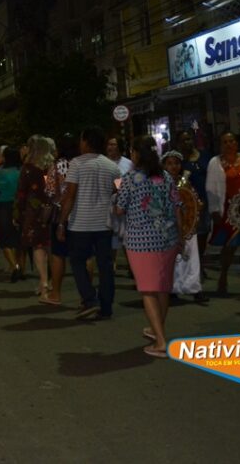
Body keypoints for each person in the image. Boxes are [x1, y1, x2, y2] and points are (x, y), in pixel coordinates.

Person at [115, 136, 183, 358]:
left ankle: (161, 341)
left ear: (136, 154)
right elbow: (177, 207)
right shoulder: (165, 176)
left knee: (148, 290)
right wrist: (181, 236)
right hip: (168, 238)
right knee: (163, 288)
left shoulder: (130, 179)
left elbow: (120, 209)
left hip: (141, 241)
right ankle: (157, 329)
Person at [57, 126, 121, 320]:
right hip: (104, 224)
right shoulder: (112, 166)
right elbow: (119, 190)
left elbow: (70, 195)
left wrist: (61, 222)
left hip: (81, 223)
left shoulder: (76, 164)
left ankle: (90, 298)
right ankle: (106, 306)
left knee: (77, 261)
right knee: (105, 266)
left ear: (86, 142)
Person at [205, 131, 240, 297]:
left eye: (232, 141)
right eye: (225, 142)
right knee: (229, 247)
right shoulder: (215, 163)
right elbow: (211, 188)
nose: (229, 144)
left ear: (237, 143)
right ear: (220, 145)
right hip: (229, 210)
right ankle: (223, 277)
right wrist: (214, 210)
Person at [161, 151, 205, 302]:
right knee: (173, 258)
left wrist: (197, 206)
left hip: (188, 225)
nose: (174, 166)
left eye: (176, 163)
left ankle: (194, 288)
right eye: (170, 164)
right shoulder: (161, 183)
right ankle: (172, 289)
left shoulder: (185, 182)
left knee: (192, 256)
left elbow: (192, 200)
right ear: (164, 166)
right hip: (170, 227)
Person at [18, 136, 57, 299]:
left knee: (37, 246)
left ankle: (44, 281)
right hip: (52, 209)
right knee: (51, 246)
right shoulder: (52, 167)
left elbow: (21, 192)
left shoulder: (28, 168)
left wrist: (19, 211)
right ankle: (53, 281)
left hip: (33, 211)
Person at [44, 134, 76, 306]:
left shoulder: (56, 167)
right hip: (81, 215)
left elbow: (50, 192)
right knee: (86, 256)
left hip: (61, 214)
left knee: (58, 255)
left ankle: (56, 293)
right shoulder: (81, 164)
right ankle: (86, 295)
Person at [176, 130, 212, 270]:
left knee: (203, 233)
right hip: (186, 206)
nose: (188, 142)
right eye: (184, 140)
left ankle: (199, 263)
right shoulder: (178, 161)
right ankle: (189, 265)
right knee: (189, 235)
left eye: (189, 139)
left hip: (203, 203)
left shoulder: (204, 156)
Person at [0, 146, 23, 281]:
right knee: (16, 238)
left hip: (3, 207)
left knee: (5, 240)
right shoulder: (21, 172)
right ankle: (18, 266)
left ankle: (14, 267)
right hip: (19, 207)